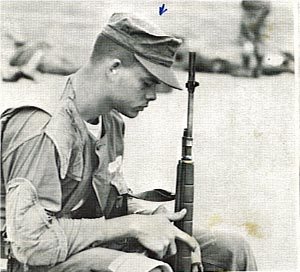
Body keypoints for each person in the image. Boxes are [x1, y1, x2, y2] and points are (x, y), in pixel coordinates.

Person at [1, 13, 257, 272]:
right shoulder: (41, 127)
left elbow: (110, 201)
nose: (153, 96)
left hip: (83, 245)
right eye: (147, 83)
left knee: (230, 250)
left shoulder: (110, 121)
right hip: (35, 259)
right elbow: (31, 243)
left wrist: (149, 218)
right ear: (113, 68)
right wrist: (132, 226)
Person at [1, 33, 79, 82]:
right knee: (68, 68)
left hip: (35, 59)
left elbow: (19, 43)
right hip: (34, 60)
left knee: (68, 67)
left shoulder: (15, 47)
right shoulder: (13, 57)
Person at [238, 0, 271, 78]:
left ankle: (248, 68)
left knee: (249, 42)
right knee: (257, 42)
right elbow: (268, 7)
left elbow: (244, 4)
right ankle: (257, 67)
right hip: (259, 14)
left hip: (251, 15)